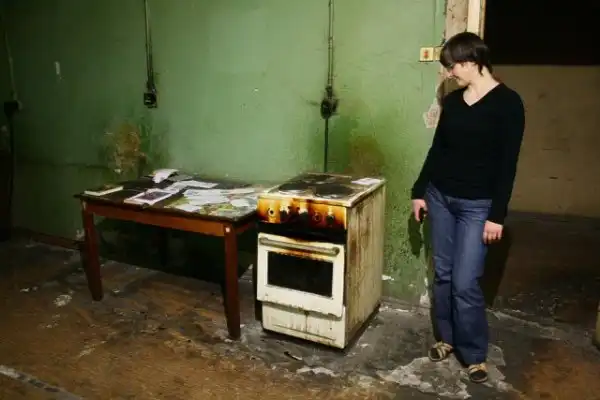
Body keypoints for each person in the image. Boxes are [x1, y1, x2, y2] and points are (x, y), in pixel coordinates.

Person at [411, 31, 525, 384]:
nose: (449, 73)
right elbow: (438, 150)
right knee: (444, 275)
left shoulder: (508, 103)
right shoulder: (454, 102)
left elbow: (508, 165)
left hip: (478, 206)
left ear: (472, 61)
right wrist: (419, 191)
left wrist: (496, 216)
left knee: (465, 281)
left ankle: (474, 354)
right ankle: (446, 338)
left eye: (452, 66)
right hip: (441, 197)